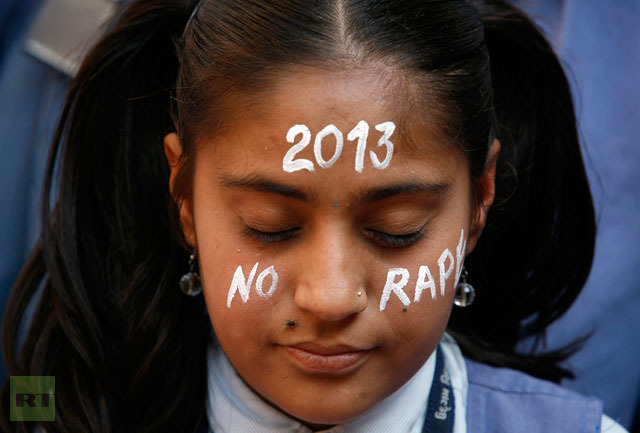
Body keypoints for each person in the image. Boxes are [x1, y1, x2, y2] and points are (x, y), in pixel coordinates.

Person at [0, 0, 628, 432]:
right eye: (269, 226)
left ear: (478, 204)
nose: (329, 297)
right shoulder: (42, 407)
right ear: (184, 197)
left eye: (396, 230)